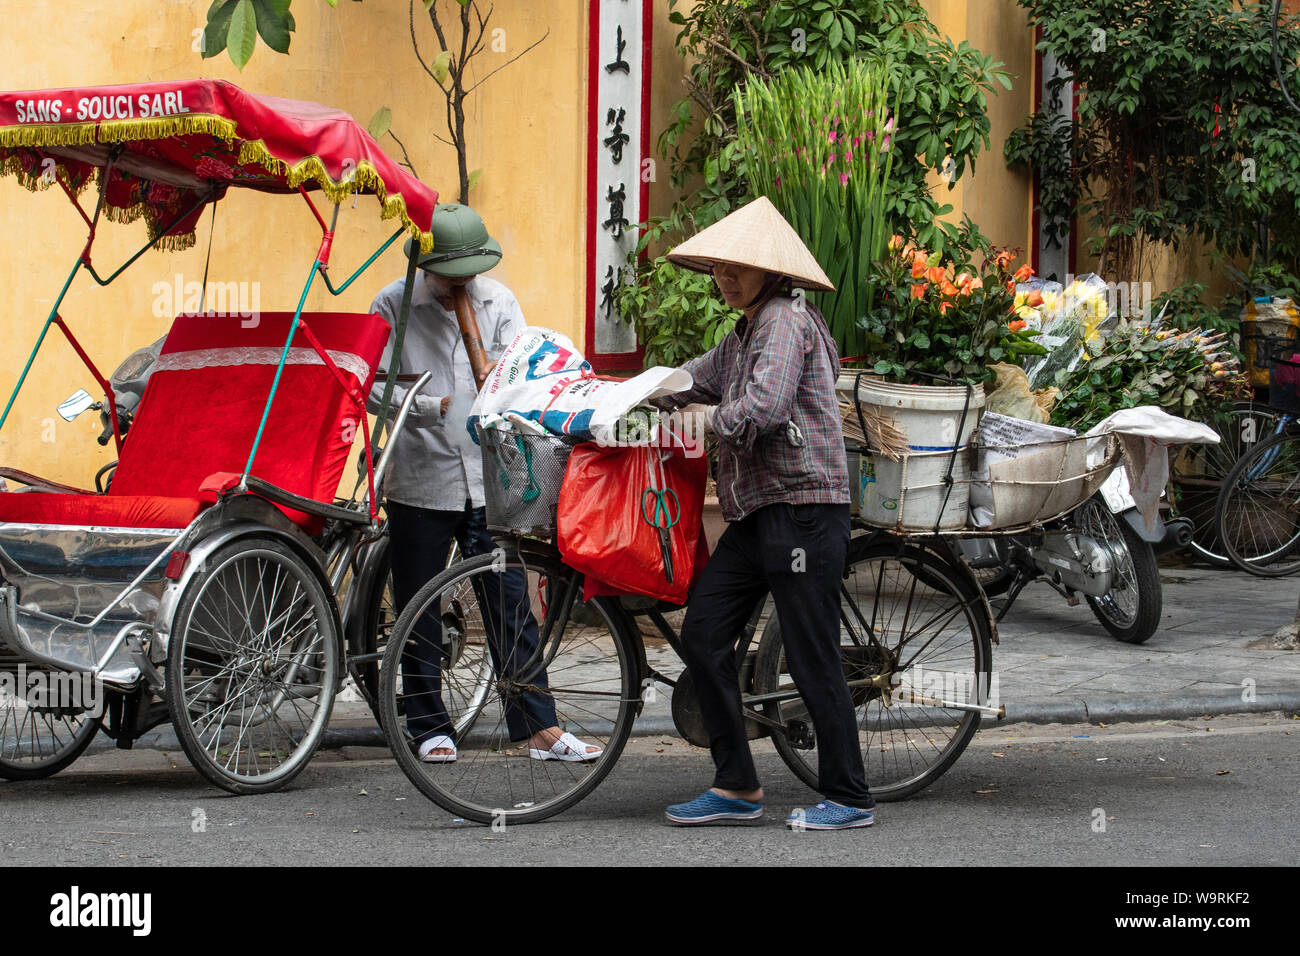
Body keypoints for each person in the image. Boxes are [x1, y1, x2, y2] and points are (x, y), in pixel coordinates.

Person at [656, 196, 876, 829]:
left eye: (737, 268)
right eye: (719, 269)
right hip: (759, 513)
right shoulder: (745, 331)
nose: (725, 278)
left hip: (804, 508)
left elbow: (765, 407)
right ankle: (736, 786)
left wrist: (706, 419)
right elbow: (695, 379)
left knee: (811, 655)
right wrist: (638, 391)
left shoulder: (784, 320)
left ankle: (849, 796)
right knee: (703, 633)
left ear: (770, 272)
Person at [367, 202, 599, 763]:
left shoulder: (499, 302)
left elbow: (521, 376)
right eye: (451, 276)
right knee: (419, 602)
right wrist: (426, 405)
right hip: (421, 478)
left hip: (489, 477)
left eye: (468, 274)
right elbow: (367, 385)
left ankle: (537, 727)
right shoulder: (393, 304)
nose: (461, 286)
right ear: (429, 268)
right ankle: (428, 727)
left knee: (508, 597)